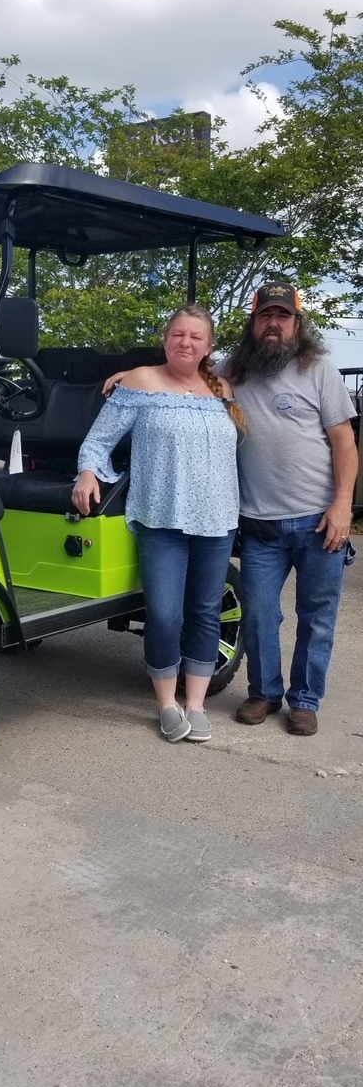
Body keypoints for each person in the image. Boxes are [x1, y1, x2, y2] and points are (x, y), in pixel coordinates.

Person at [73, 304, 245, 744]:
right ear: (166, 339)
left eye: (196, 337)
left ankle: (196, 705)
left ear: (210, 346)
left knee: (205, 613)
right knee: (166, 615)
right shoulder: (140, 382)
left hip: (218, 519)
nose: (186, 343)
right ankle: (167, 705)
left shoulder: (222, 388)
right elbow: (99, 441)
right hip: (160, 518)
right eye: (178, 335)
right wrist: (89, 472)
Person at [222, 282, 358, 736]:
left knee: (317, 616)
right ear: (254, 323)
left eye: (283, 316)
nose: (273, 324)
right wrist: (132, 375)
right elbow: (180, 375)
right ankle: (263, 692)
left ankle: (304, 699)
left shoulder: (319, 370)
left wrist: (343, 507)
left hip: (320, 522)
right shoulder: (231, 372)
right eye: (265, 316)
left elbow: (344, 443)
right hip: (260, 524)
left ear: (297, 324)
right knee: (259, 614)